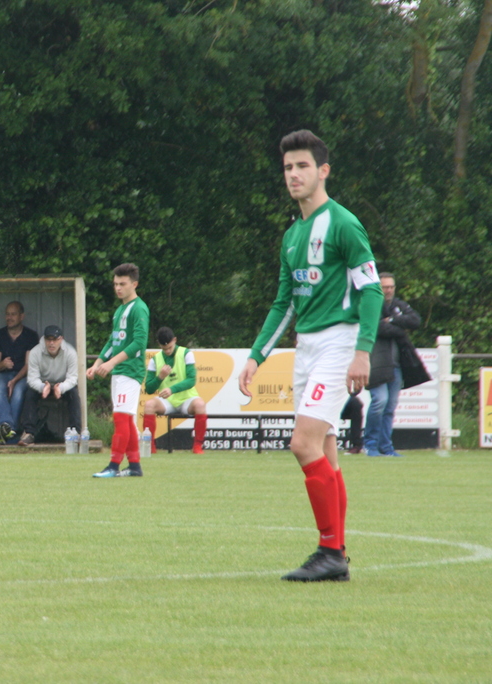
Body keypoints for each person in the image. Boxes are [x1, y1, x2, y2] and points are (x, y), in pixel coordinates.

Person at [238, 130, 383, 582]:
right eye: (288, 167)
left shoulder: (343, 223)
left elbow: (372, 290)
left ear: (323, 171)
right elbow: (285, 303)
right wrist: (256, 355)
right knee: (326, 452)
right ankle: (336, 553)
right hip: (307, 348)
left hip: (339, 343)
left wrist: (362, 352)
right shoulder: (292, 235)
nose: (293, 174)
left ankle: (329, 551)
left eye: (302, 166)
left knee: (302, 443)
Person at [87, 263, 150, 477]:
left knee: (121, 418)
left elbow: (139, 343)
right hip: (120, 372)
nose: (118, 288)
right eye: (115, 284)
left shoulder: (139, 308)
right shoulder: (120, 309)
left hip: (130, 371)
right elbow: (113, 341)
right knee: (127, 419)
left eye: (122, 284)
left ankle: (113, 466)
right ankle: (134, 466)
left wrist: (112, 362)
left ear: (134, 284)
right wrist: (97, 363)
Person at [362, 273, 421, 458]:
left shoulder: (398, 305)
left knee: (390, 407)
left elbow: (415, 321)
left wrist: (393, 320)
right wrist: (399, 328)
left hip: (396, 365)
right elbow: (377, 327)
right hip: (376, 364)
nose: (388, 290)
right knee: (379, 401)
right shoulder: (370, 304)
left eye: (391, 287)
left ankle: (386, 447)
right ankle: (370, 445)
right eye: (384, 287)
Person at [141, 327, 209, 454]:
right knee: (149, 405)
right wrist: (160, 377)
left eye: (170, 347)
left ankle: (197, 446)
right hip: (167, 401)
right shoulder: (155, 359)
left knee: (200, 405)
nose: (167, 351)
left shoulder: (186, 353)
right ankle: (150, 447)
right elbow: (149, 389)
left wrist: (172, 389)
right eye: (164, 348)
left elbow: (191, 380)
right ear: (159, 345)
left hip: (187, 398)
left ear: (175, 340)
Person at [17, 325, 81, 446]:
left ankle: (75, 432)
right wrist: (43, 387)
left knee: (73, 393)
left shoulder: (70, 352)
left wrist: (61, 388)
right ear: (44, 339)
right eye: (48, 339)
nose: (51, 343)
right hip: (42, 384)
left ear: (61, 339)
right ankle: (28, 433)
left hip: (62, 384)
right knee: (30, 393)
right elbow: (32, 378)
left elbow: (73, 378)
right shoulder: (35, 352)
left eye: (55, 339)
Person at [0, 301, 40, 444]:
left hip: (23, 375)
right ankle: (8, 427)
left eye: (13, 314)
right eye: (7, 314)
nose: (9, 318)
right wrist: (2, 364)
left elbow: (29, 365)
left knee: (18, 391)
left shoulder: (31, 335)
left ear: (21, 316)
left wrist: (14, 380)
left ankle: (8, 430)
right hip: (3, 374)